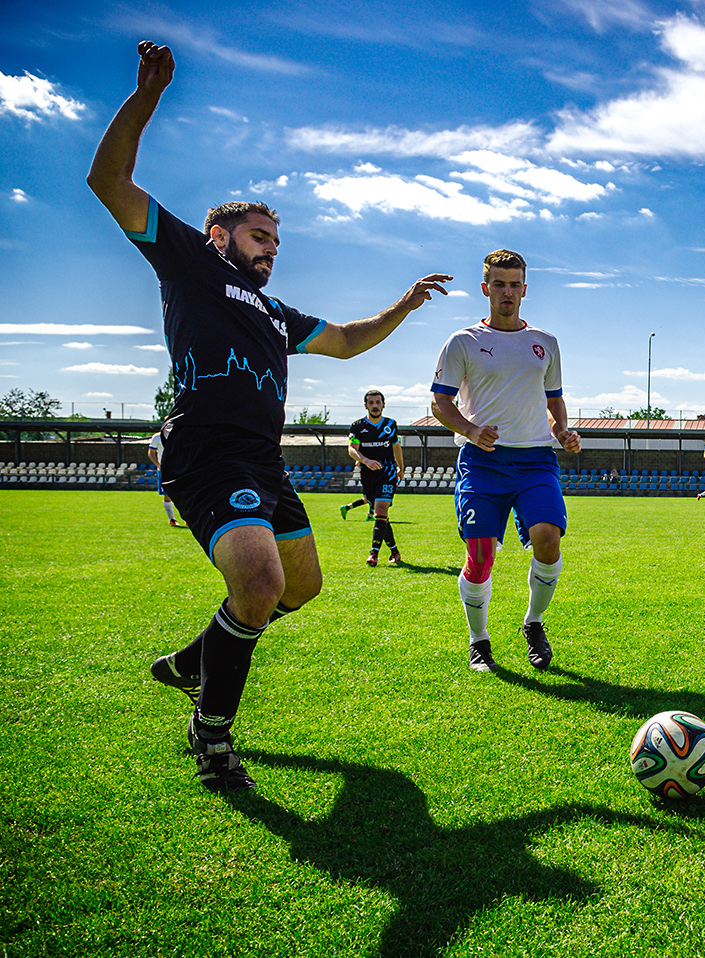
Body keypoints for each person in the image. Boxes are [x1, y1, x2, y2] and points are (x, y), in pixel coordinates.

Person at [90, 41, 452, 791]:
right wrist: (148, 97)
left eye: (278, 242)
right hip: (206, 451)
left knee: (301, 587)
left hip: (262, 460)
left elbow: (348, 343)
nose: (272, 250)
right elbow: (109, 180)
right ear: (220, 235)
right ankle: (212, 733)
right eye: (261, 237)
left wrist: (406, 305)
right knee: (257, 588)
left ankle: (195, 663)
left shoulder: (275, 310)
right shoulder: (190, 260)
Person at [431, 249, 582, 673]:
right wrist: (471, 430)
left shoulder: (545, 344)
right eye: (499, 284)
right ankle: (479, 640)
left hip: (536, 460)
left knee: (548, 540)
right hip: (483, 463)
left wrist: (562, 431)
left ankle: (533, 623)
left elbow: (554, 401)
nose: (507, 292)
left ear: (525, 290)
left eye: (515, 284)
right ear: (485, 288)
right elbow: (440, 402)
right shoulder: (462, 342)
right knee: (479, 556)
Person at [345, 390, 405, 566]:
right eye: (371, 403)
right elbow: (352, 449)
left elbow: (396, 446)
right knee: (382, 516)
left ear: (383, 405)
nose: (375, 406)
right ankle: (394, 551)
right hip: (367, 474)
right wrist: (364, 460)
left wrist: (401, 467)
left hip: (387, 472)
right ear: (366, 406)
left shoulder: (391, 424)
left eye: (378, 402)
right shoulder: (357, 426)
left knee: (380, 511)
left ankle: (373, 554)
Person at [147, 430, 182, 527]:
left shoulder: (179, 435)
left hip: (180, 470)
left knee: (183, 494)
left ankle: (187, 518)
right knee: (167, 495)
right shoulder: (157, 437)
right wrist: (158, 465)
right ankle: (172, 519)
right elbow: (151, 452)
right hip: (164, 472)